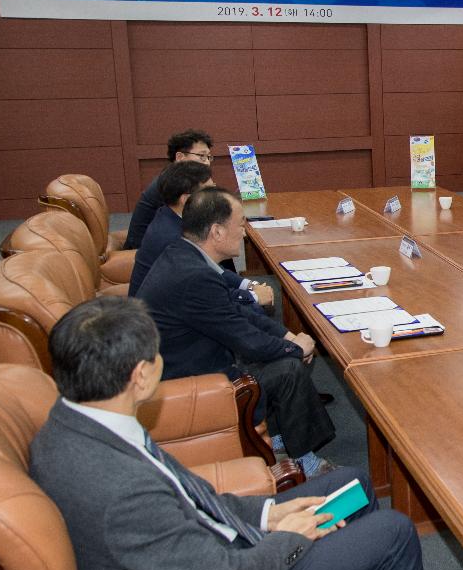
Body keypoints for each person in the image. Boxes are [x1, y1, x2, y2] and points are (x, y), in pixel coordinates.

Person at [29, 297, 463, 570]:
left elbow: (194, 500)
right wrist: (288, 536)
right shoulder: (117, 487)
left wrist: (270, 512)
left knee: (352, 485)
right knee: (394, 533)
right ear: (140, 376)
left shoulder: (86, 420)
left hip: (219, 549)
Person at [137, 187, 334, 477]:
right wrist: (296, 348)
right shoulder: (195, 277)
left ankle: (279, 441)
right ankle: (305, 460)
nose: (244, 233)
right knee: (289, 369)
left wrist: (285, 336)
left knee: (284, 357)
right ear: (217, 232)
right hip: (190, 382)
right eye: (240, 224)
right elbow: (248, 340)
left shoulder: (182, 254)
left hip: (190, 361)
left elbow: (236, 313)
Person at [128, 161, 274, 306]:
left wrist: (249, 285)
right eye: (208, 191)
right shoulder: (173, 237)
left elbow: (215, 270)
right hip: (156, 319)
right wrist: (253, 296)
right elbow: (209, 292)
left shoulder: (171, 215)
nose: (215, 196)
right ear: (186, 200)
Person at [124, 129, 214, 251]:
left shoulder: (175, 177)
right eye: (202, 156)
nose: (207, 162)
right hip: (148, 248)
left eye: (209, 157)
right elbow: (197, 217)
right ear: (180, 157)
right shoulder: (171, 185)